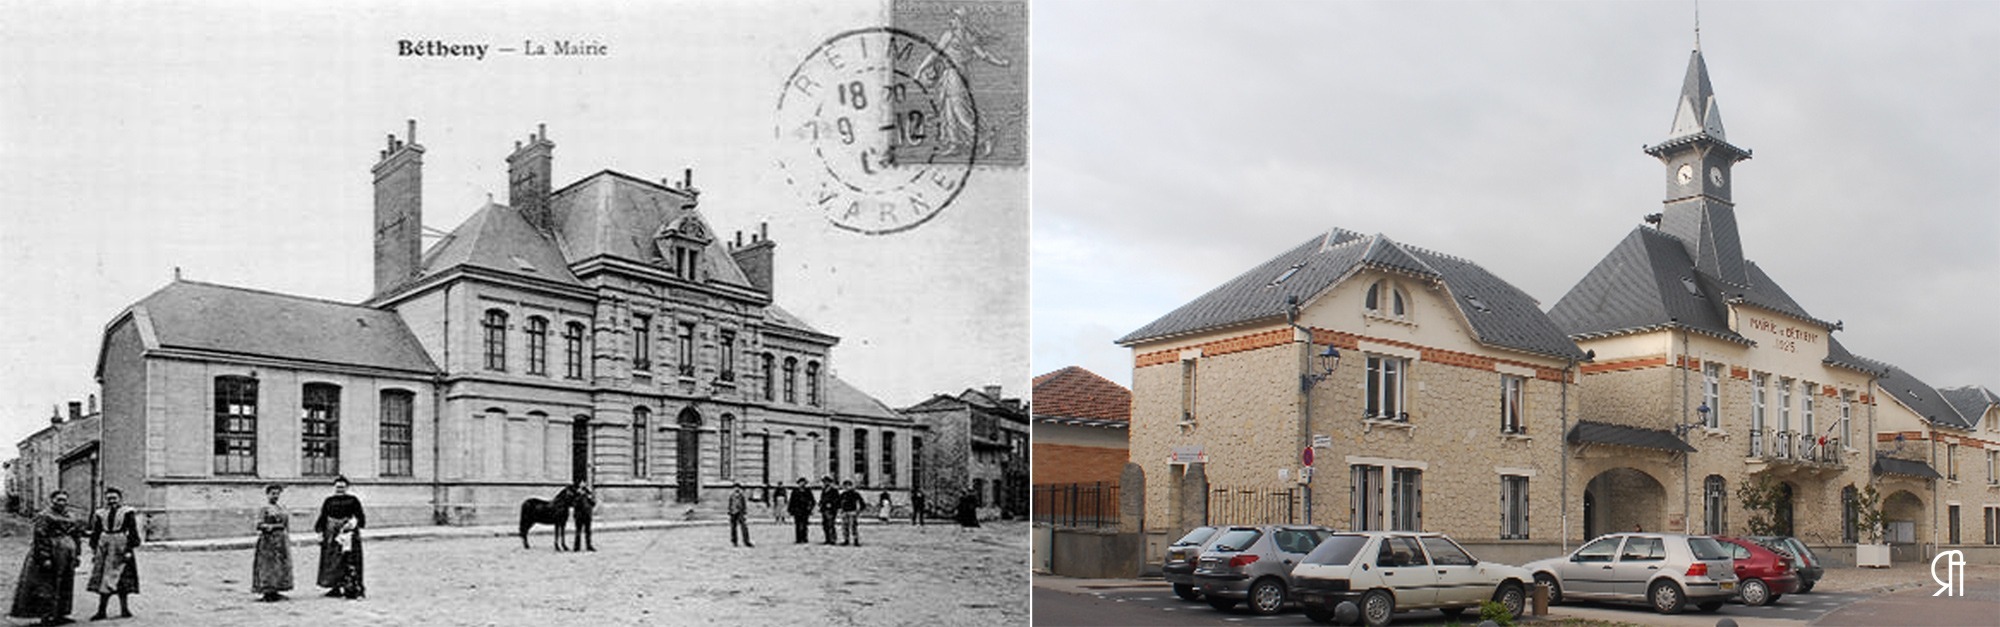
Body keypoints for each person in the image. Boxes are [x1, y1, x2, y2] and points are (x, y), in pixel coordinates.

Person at [10, 490, 84, 625]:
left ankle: (61, 614)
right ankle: (46, 616)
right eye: (58, 500)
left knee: (65, 583)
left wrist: (77, 554)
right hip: (51, 551)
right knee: (47, 584)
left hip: (67, 554)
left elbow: (76, 536)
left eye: (64, 500)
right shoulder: (44, 516)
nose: (62, 503)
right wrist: (45, 557)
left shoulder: (71, 516)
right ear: (52, 500)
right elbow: (40, 537)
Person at [85, 487, 141, 621]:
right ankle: (101, 610)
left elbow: (133, 532)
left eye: (114, 498)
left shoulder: (127, 512)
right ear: (105, 499)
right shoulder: (100, 513)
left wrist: (129, 550)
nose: (111, 501)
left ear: (120, 499)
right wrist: (94, 549)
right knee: (104, 579)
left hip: (121, 545)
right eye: (109, 498)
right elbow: (96, 532)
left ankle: (124, 609)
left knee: (122, 578)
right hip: (104, 546)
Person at [314, 476, 365, 599]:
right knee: (332, 561)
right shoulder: (329, 501)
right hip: (331, 534)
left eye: (342, 487)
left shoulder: (353, 500)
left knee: (349, 559)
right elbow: (323, 517)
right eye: (338, 487)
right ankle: (334, 587)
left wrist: (353, 523)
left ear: (347, 488)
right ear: (334, 488)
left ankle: (351, 587)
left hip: (347, 534)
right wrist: (320, 532)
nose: (340, 489)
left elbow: (360, 517)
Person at [251, 484, 293, 602]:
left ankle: (276, 590)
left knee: (279, 565)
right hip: (268, 541)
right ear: (267, 494)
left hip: (281, 541)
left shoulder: (281, 508)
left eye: (277, 493)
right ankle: (267, 591)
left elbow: (286, 525)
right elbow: (259, 525)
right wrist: (271, 526)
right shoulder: (264, 508)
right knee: (268, 566)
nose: (275, 496)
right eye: (273, 493)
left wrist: (287, 537)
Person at [786, 478, 816, 544]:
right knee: (797, 525)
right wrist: (790, 510)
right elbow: (791, 501)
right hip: (797, 510)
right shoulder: (795, 491)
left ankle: (804, 538)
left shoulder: (808, 491)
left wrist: (810, 508)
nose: (802, 484)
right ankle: (798, 539)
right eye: (801, 483)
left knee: (805, 525)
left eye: (803, 483)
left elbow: (813, 501)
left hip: (805, 510)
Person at [727, 482, 753, 548]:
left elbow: (744, 505)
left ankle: (746, 541)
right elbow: (730, 504)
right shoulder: (732, 496)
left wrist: (744, 512)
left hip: (740, 513)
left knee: (744, 527)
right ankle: (734, 541)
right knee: (733, 528)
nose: (737, 489)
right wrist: (729, 511)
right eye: (735, 487)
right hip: (733, 512)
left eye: (738, 487)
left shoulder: (741, 496)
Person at [838, 480, 864, 546]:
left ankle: (856, 540)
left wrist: (859, 511)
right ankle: (846, 540)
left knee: (853, 527)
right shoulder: (843, 494)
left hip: (852, 512)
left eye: (847, 486)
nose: (846, 487)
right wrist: (840, 509)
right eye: (845, 486)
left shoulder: (855, 494)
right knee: (845, 527)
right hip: (844, 512)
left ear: (851, 486)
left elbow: (862, 503)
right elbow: (838, 502)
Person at [817, 476, 841, 546]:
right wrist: (820, 504)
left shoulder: (834, 490)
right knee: (825, 525)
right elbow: (822, 499)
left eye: (826, 482)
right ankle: (827, 539)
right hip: (824, 509)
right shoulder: (824, 490)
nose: (824, 483)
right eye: (824, 482)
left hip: (831, 510)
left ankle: (832, 539)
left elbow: (837, 500)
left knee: (830, 524)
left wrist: (832, 504)